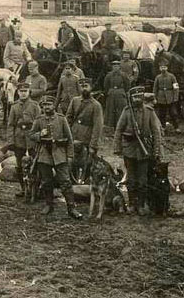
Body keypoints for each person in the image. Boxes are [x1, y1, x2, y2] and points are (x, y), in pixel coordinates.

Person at [29, 96, 82, 219]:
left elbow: (69, 139)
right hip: (44, 155)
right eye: (44, 105)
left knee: (65, 181)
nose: (47, 107)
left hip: (60, 154)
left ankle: (71, 208)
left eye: (49, 105)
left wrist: (69, 156)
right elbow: (31, 135)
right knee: (47, 181)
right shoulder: (39, 120)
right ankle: (49, 205)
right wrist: (39, 134)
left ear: (54, 106)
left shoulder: (61, 119)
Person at [113, 86, 163, 215]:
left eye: (139, 97)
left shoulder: (149, 111)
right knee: (131, 178)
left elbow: (156, 132)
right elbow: (119, 129)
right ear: (131, 98)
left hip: (144, 149)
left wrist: (156, 151)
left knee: (142, 180)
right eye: (134, 97)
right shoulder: (127, 111)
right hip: (129, 149)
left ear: (142, 98)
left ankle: (141, 205)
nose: (136, 99)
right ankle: (131, 204)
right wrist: (117, 147)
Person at [66, 77, 104, 183]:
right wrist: (67, 134)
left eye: (86, 86)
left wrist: (93, 145)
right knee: (72, 161)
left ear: (91, 88)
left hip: (87, 137)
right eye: (82, 87)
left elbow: (98, 127)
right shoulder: (75, 101)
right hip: (74, 136)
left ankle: (85, 186)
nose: (84, 89)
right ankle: (73, 185)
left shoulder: (96, 105)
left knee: (87, 164)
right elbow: (68, 118)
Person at [6, 82, 41, 197]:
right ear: (18, 92)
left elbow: (40, 122)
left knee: (35, 164)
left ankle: (35, 189)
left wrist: (38, 137)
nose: (23, 93)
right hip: (19, 138)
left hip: (32, 138)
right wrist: (11, 141)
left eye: (25, 91)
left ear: (29, 92)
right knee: (19, 164)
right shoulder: (14, 106)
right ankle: (23, 188)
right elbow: (10, 124)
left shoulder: (35, 106)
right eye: (21, 91)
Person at [153, 59, 180, 132]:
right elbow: (155, 89)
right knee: (162, 114)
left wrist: (175, 97)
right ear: (159, 68)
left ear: (167, 68)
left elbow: (176, 88)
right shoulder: (158, 77)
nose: (163, 69)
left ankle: (176, 127)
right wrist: (155, 98)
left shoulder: (172, 76)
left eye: (164, 67)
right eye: (161, 67)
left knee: (173, 113)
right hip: (161, 98)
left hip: (170, 97)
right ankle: (163, 127)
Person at [104, 60, 129, 129]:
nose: (115, 68)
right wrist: (108, 92)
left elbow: (127, 85)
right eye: (114, 66)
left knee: (120, 109)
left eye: (117, 66)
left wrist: (124, 92)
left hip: (120, 93)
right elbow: (106, 85)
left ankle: (121, 125)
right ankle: (111, 125)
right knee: (111, 109)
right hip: (111, 93)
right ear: (112, 67)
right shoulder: (109, 75)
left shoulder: (123, 75)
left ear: (119, 67)